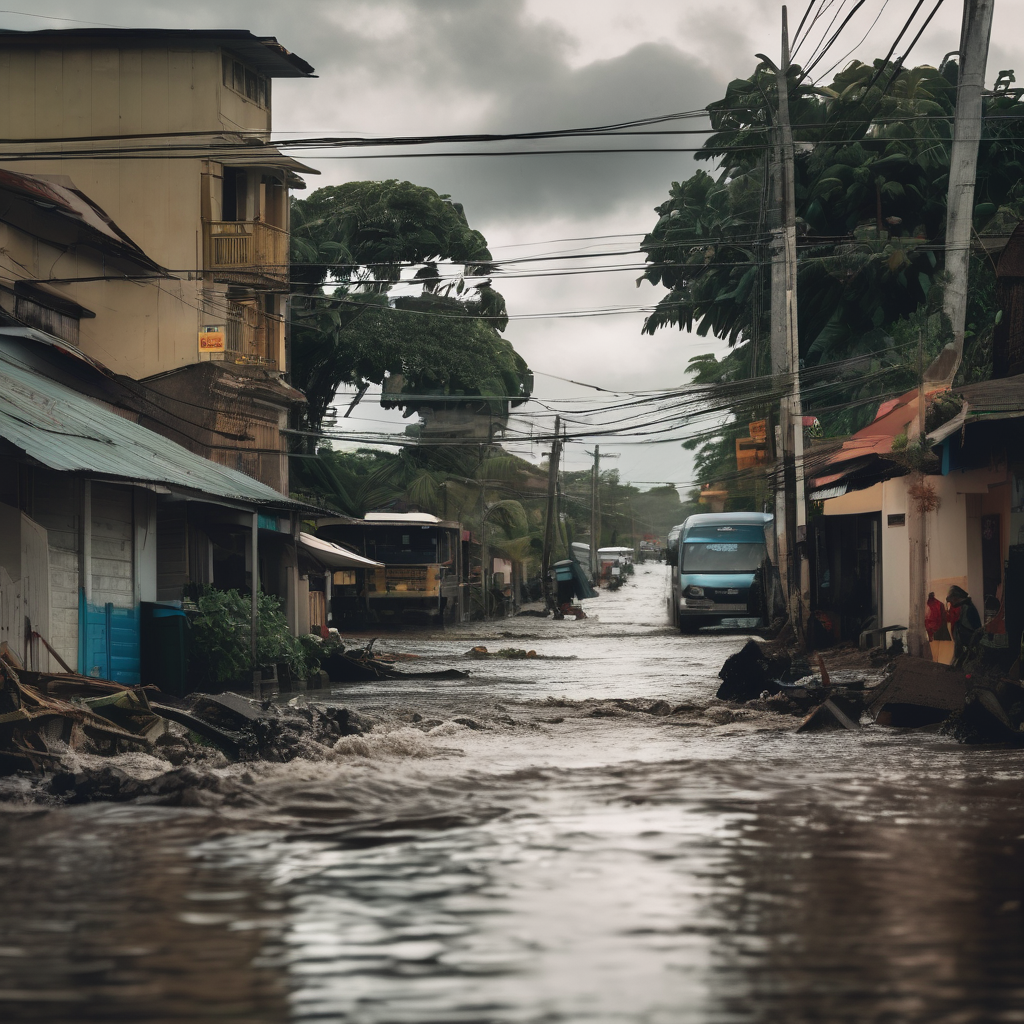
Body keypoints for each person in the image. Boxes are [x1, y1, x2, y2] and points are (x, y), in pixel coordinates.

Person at [947, 585, 982, 667]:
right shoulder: (966, 607)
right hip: (964, 650)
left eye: (952, 600)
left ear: (956, 598)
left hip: (967, 651)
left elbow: (971, 632)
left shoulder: (967, 608)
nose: (951, 603)